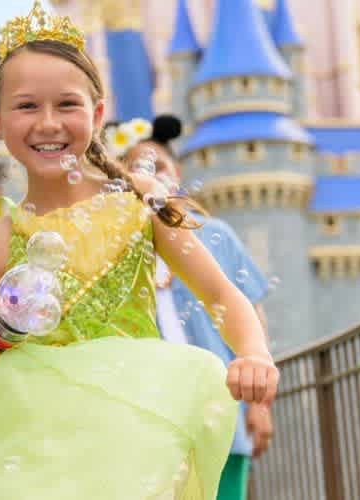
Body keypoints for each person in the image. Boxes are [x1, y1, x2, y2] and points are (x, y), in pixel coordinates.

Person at [0, 3, 278, 499]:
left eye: (68, 105)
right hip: (35, 448)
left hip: (133, 438)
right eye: (27, 106)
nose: (48, 123)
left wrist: (254, 353)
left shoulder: (141, 201)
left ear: (97, 114)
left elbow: (220, 294)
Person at [109, 115, 273, 500]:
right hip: (151, 418)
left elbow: (251, 316)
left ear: (176, 172)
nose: (148, 176)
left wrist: (260, 406)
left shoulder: (213, 235)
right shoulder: (116, 247)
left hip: (220, 408)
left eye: (157, 166)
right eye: (132, 168)